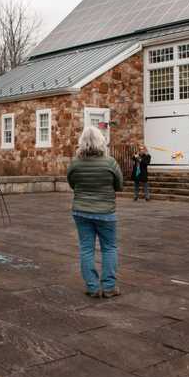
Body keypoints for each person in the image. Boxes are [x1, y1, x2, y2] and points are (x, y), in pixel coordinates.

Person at [67, 126, 124, 299]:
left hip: (81, 210)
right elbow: (119, 186)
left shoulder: (75, 163)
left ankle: (92, 287)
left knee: (86, 249)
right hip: (105, 212)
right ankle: (109, 287)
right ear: (101, 141)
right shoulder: (110, 162)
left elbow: (71, 183)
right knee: (109, 248)